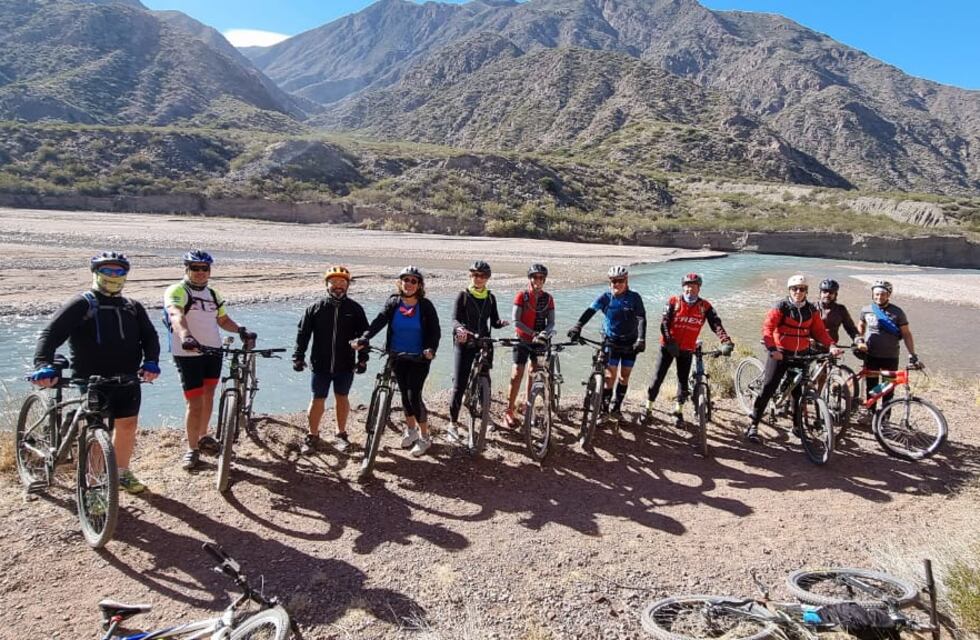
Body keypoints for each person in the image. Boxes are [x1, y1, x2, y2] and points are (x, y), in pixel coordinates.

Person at [31, 252, 160, 494]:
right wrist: (42, 364)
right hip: (91, 379)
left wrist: (151, 361)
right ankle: (94, 484)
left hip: (127, 377)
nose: (113, 276)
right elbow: (51, 333)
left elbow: (150, 336)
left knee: (128, 425)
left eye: (119, 271)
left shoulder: (132, 307)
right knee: (96, 430)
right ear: (95, 273)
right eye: (107, 271)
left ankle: (121, 473)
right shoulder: (83, 303)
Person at [164, 250, 254, 471]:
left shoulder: (213, 293)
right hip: (188, 353)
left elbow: (222, 319)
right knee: (194, 403)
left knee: (209, 394)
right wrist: (185, 336)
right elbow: (176, 314)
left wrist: (241, 329)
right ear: (186, 269)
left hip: (213, 351)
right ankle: (192, 449)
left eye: (205, 268)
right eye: (195, 268)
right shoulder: (177, 290)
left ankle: (204, 435)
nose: (201, 272)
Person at [745, 274, 841, 444]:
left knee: (798, 393)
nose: (798, 292)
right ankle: (753, 424)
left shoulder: (811, 310)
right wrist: (773, 349)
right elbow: (767, 328)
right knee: (768, 387)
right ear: (789, 290)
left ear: (807, 291)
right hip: (780, 353)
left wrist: (831, 346)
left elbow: (819, 332)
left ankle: (797, 427)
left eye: (802, 289)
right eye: (794, 289)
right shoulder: (781, 307)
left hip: (801, 355)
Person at [357, 266, 440, 457]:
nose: (409, 284)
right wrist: (365, 337)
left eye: (414, 281)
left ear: (419, 285)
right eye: (406, 280)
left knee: (413, 395)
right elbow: (379, 321)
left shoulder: (425, 306)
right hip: (396, 355)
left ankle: (425, 437)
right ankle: (410, 431)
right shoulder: (393, 303)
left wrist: (430, 349)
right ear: (400, 282)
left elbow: (435, 331)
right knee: (403, 394)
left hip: (419, 358)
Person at [293, 266, 369, 455]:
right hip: (321, 363)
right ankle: (312, 435)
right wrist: (298, 357)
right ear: (326, 285)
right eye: (334, 282)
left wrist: (363, 359)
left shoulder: (355, 309)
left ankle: (341, 434)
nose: (338, 286)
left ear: (348, 286)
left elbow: (364, 336)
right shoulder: (315, 308)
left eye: (342, 283)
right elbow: (303, 334)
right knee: (318, 398)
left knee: (342, 397)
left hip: (345, 363)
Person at [645, 273, 733, 424]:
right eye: (687, 286)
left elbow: (716, 324)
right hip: (667, 347)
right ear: (683, 287)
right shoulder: (673, 301)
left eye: (693, 286)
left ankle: (678, 412)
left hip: (687, 348)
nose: (689, 289)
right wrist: (669, 341)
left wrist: (726, 341)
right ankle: (648, 409)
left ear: (699, 288)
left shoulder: (705, 306)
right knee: (657, 379)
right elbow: (664, 323)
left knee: (683, 382)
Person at [567, 265, 647, 421]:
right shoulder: (605, 297)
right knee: (610, 377)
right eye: (613, 281)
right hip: (611, 340)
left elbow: (641, 318)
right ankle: (604, 411)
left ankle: (616, 409)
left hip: (630, 343)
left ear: (626, 280)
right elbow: (590, 311)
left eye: (620, 281)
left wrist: (641, 339)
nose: (616, 284)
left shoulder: (634, 298)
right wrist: (578, 326)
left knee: (624, 377)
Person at [447, 260, 508, 443]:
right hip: (464, 343)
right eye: (474, 275)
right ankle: (453, 424)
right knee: (459, 384)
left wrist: (501, 323)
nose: (478, 279)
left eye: (482, 276)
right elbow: (454, 320)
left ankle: (484, 415)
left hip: (484, 343)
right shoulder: (463, 296)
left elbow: (494, 322)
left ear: (487, 278)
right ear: (470, 276)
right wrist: (460, 329)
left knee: (485, 380)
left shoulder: (490, 297)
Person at [504, 263, 555, 429]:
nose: (538, 280)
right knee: (517, 373)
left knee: (533, 373)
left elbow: (551, 322)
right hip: (522, 339)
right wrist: (532, 333)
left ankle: (527, 404)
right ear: (530, 279)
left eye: (541, 278)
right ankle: (509, 410)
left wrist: (544, 334)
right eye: (535, 277)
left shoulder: (548, 299)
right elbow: (516, 320)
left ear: (544, 280)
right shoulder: (521, 296)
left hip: (539, 341)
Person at [856, 280, 919, 401]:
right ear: (873, 294)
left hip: (890, 356)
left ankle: (884, 416)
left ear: (888, 295)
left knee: (888, 388)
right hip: (871, 355)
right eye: (876, 294)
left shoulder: (898, 312)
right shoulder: (866, 310)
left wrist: (912, 353)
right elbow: (861, 326)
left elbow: (906, 334)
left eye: (883, 294)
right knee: (871, 386)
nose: (879, 297)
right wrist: (860, 340)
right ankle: (871, 413)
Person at [815, 278, 859, 345]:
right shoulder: (812, 308)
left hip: (832, 347)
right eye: (824, 292)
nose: (827, 294)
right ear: (820, 293)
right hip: (813, 347)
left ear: (835, 294)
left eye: (831, 292)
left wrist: (858, 340)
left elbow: (851, 328)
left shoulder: (840, 310)